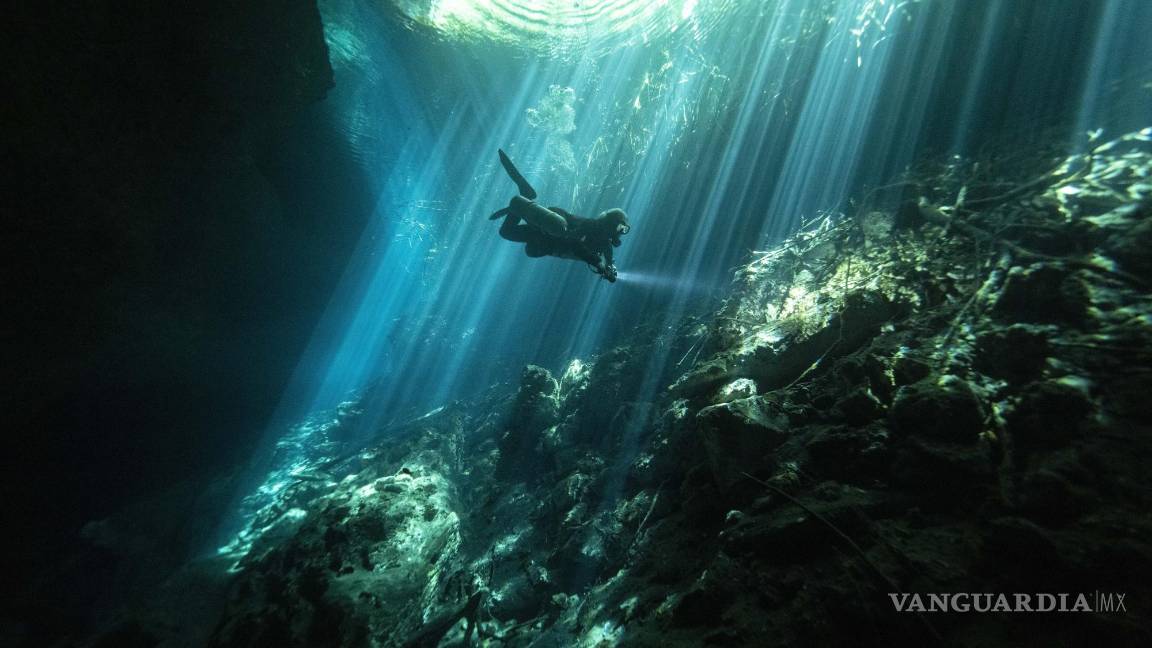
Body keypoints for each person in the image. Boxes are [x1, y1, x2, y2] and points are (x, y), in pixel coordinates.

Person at [489, 149, 630, 282]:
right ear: (611, 224)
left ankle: (522, 201)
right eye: (620, 228)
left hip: (547, 240)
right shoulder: (591, 226)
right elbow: (573, 242)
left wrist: (608, 270)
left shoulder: (605, 246)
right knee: (559, 229)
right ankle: (524, 197)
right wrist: (597, 262)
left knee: (506, 232)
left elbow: (607, 261)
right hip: (552, 229)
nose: (620, 233)